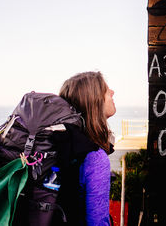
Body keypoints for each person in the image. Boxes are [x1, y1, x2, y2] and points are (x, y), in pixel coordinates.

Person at [56, 71, 116, 225]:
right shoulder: (95, 157)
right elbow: (98, 222)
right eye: (106, 90)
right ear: (95, 101)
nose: (112, 92)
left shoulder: (59, 144)